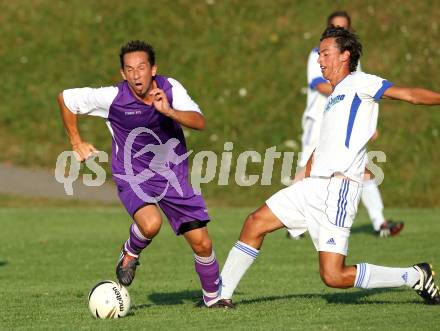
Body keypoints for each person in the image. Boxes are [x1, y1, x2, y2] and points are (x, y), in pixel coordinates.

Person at [217, 27, 440, 308]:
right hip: (312, 185)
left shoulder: (363, 83)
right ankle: (219, 297)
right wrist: (303, 175)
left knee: (333, 276)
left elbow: (410, 94)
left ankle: (414, 276)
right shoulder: (334, 96)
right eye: (319, 54)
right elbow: (325, 145)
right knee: (254, 223)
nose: (320, 60)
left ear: (345, 55)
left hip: (339, 188)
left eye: (325, 54)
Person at [57, 40, 221, 307]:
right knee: (151, 224)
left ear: (153, 69)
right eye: (129, 69)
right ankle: (130, 252)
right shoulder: (114, 98)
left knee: (202, 243)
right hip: (133, 175)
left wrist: (168, 110)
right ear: (123, 73)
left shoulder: (170, 88)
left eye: (141, 68)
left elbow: (199, 121)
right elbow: (66, 98)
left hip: (173, 176)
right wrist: (76, 143)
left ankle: (214, 300)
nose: (136, 75)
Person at [295, 11, 403, 238]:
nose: (340, 30)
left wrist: (369, 123)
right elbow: (319, 85)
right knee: (307, 169)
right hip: (318, 121)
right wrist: (343, 90)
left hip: (345, 124)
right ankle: (296, 226)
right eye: (335, 26)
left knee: (362, 168)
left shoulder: (352, 59)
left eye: (344, 27)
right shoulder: (318, 54)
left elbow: (363, 91)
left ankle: (380, 223)